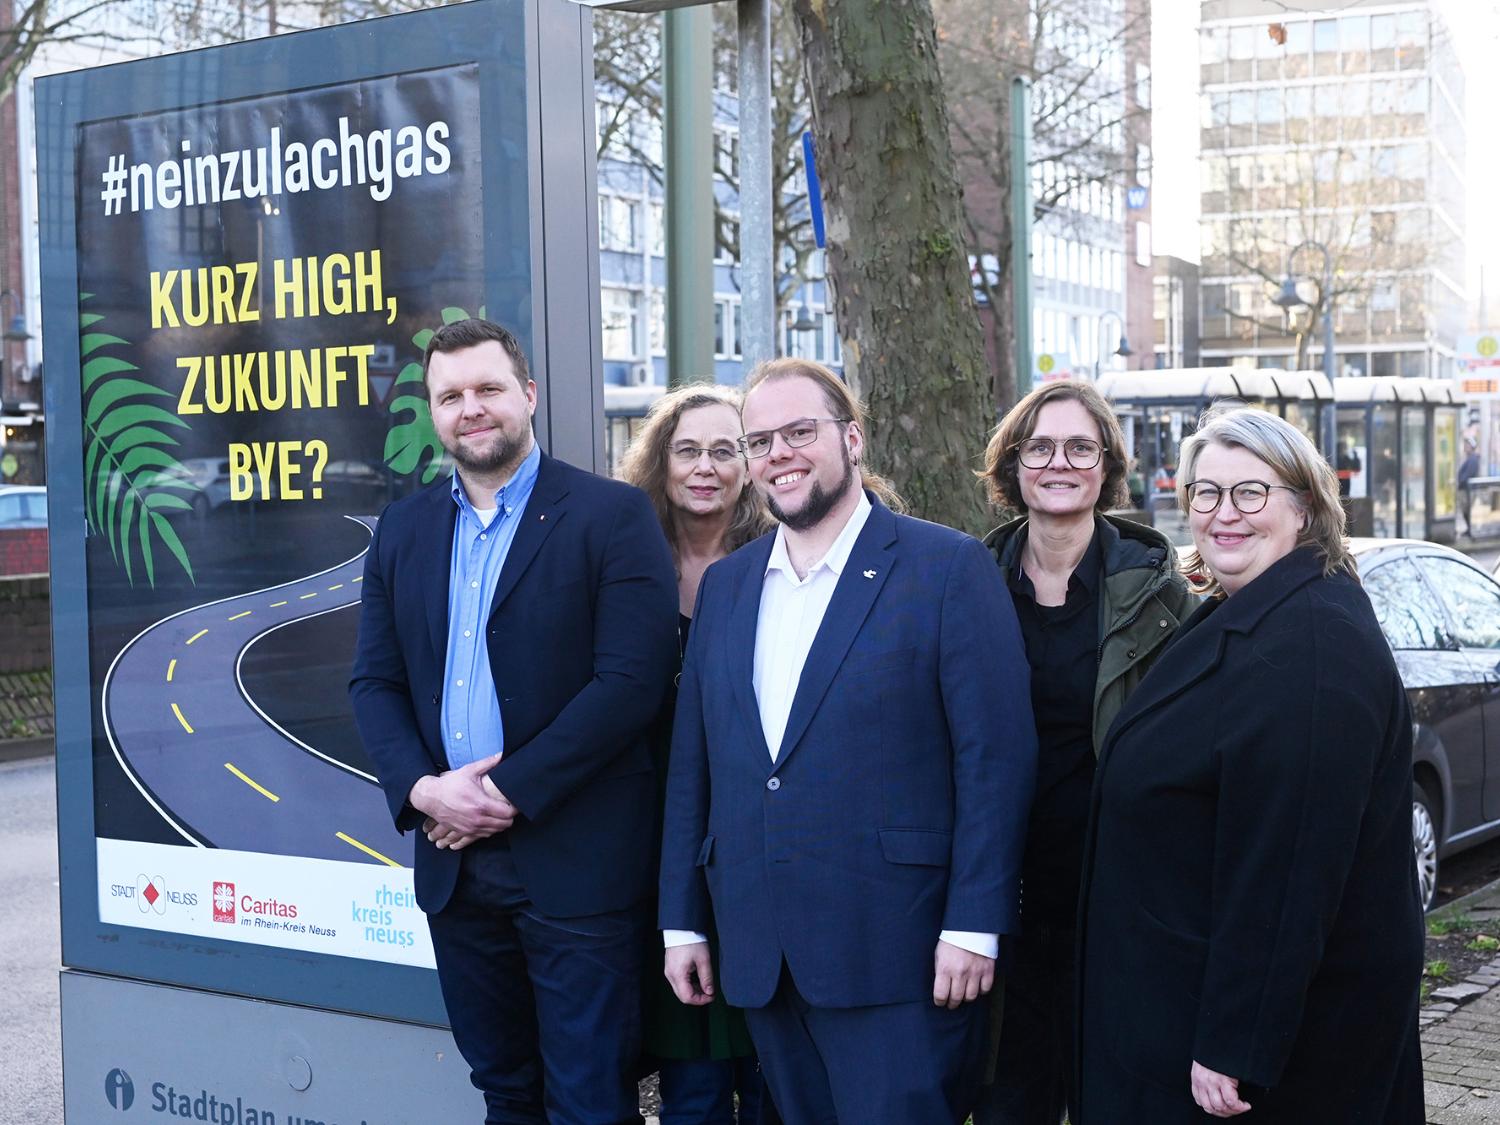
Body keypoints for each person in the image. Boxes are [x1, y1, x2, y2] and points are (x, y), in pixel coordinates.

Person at [658, 358, 1038, 1123]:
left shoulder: (946, 568)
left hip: (901, 951)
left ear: (853, 438)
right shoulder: (727, 586)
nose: (779, 454)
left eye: (801, 431)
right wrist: (682, 918)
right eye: (759, 440)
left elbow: (995, 760)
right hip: (763, 950)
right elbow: (694, 765)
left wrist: (975, 923)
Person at [349, 318, 678, 1123]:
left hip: (576, 861)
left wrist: (503, 791)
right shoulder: (405, 528)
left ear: (527, 394)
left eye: (488, 388)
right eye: (450, 395)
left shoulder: (612, 515)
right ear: (434, 412)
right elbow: (373, 682)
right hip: (455, 869)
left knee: (590, 1099)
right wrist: (427, 792)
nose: (472, 408)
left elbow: (631, 683)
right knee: (505, 1093)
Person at [1076, 406, 1425, 1124]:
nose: (1222, 513)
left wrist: (1238, 1039)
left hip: (1259, 1058)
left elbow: (1291, 862)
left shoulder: (1313, 645)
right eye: (1205, 492)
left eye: (1250, 492)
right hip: (1175, 1002)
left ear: (1304, 506)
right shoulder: (1251, 611)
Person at [969, 380, 1196, 1125]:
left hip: (1118, 905)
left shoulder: (1161, 597)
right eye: (1039, 447)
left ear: (1105, 465)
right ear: (1014, 466)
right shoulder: (966, 586)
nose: (1058, 462)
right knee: (1011, 1102)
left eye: (1079, 447)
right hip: (1001, 908)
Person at [618, 383, 774, 1123]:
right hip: (653, 839)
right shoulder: (624, 562)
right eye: (688, 450)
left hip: (754, 836)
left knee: (773, 1064)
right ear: (661, 461)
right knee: (693, 1082)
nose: (705, 466)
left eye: (725, 449)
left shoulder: (779, 564)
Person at [1458, 438, 1479, 536]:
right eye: (1465, 445)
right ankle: (1469, 530)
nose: (1465, 447)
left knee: (1467, 510)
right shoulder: (1469, 458)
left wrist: (1460, 481)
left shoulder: (1472, 459)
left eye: (1467, 445)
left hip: (1468, 490)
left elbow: (1468, 475)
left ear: (1472, 447)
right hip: (1465, 489)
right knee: (1465, 510)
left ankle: (1470, 530)